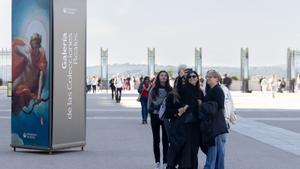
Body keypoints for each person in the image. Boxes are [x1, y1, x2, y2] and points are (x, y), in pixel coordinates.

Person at [168, 70, 204, 169]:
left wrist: (200, 104)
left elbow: (202, 107)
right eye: (190, 77)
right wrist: (180, 77)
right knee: (186, 148)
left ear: (197, 78)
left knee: (194, 148)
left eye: (194, 76)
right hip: (186, 123)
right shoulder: (185, 89)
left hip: (196, 124)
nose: (192, 78)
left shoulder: (200, 92)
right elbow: (179, 88)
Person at [203, 70, 228, 169]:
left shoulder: (217, 90)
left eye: (211, 77)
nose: (208, 78)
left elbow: (220, 107)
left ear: (216, 78)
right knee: (218, 149)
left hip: (215, 123)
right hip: (215, 123)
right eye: (207, 77)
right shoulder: (210, 89)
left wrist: (203, 105)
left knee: (215, 149)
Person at [148, 71, 173, 169]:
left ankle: (166, 161)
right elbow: (149, 103)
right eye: (161, 75)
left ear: (167, 78)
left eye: (165, 76)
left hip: (165, 116)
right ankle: (157, 162)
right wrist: (151, 112)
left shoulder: (170, 90)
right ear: (158, 77)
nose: (163, 77)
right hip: (155, 116)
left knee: (166, 139)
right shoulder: (153, 89)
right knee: (156, 139)